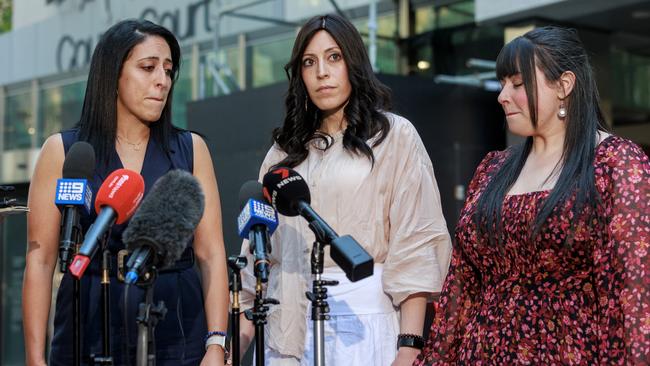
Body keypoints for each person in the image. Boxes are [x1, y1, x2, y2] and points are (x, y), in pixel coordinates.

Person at [416, 26, 650, 365]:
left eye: (518, 83)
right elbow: (461, 287)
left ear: (564, 85)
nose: (502, 95)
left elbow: (634, 294)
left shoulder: (616, 163)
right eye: (502, 83)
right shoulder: (493, 169)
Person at [236, 14, 452, 366]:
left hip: (364, 326)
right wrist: (233, 348)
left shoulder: (393, 136)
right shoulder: (282, 153)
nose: (322, 71)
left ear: (354, 62)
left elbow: (416, 242)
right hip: (285, 329)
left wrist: (409, 346)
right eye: (310, 62)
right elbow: (257, 260)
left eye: (334, 57)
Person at [23, 19, 229, 366]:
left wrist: (216, 344)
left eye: (168, 70)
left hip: (176, 330)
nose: (162, 80)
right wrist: (34, 359)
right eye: (148, 68)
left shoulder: (191, 149)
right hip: (85, 328)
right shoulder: (63, 150)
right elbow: (40, 261)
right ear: (112, 74)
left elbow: (211, 253)